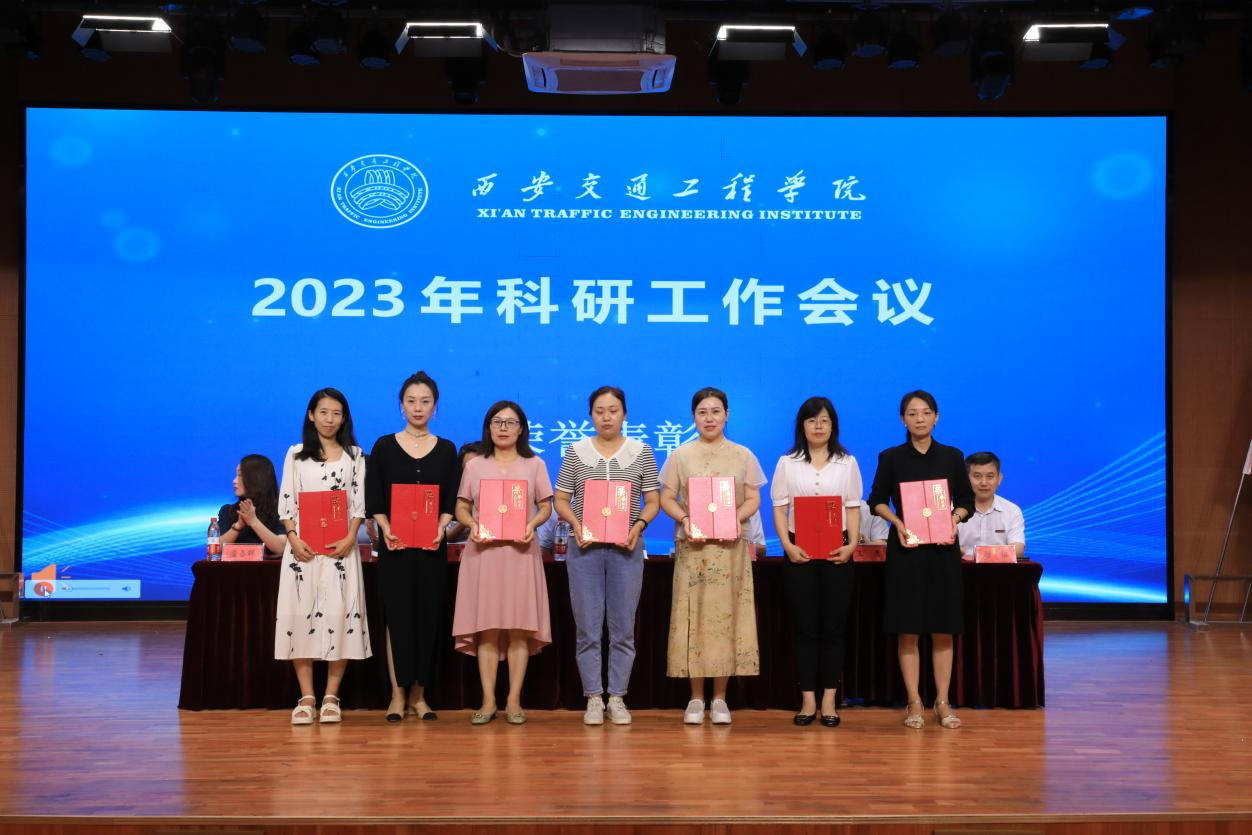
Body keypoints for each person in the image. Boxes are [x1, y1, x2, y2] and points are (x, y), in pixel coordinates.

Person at [553, 386, 661, 726]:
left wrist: (638, 526)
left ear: (624, 414)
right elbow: (560, 499)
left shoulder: (641, 452)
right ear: (591, 415)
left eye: (613, 410)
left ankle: (617, 697)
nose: (606, 417)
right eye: (599, 411)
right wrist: (576, 524)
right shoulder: (576, 452)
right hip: (584, 549)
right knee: (587, 628)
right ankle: (593, 697)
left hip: (626, 549)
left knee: (623, 628)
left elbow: (653, 500)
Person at [868, 390, 974, 731]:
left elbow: (967, 500)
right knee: (908, 628)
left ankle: (942, 701)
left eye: (926, 412)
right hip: (907, 551)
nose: (919, 419)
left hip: (943, 552)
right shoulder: (891, 457)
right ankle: (914, 700)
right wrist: (898, 523)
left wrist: (953, 521)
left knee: (944, 628)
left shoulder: (952, 456)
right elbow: (876, 500)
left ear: (936, 417)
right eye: (912, 413)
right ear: (903, 419)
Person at [659, 386, 765, 725]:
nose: (709, 418)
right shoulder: (681, 455)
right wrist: (684, 519)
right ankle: (695, 698)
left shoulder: (743, 455)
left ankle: (720, 699)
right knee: (695, 618)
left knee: (725, 620)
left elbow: (753, 498)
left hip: (731, 549)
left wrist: (734, 517)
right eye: (702, 412)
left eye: (716, 411)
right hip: (694, 548)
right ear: (694, 417)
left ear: (727, 415)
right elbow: (666, 498)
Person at [364, 371, 461, 724]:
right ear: (401, 405)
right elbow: (374, 495)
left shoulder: (447, 449)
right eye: (411, 401)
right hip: (396, 548)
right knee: (397, 619)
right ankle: (397, 694)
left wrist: (441, 527)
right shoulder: (384, 446)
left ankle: (420, 696)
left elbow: (450, 497)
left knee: (428, 619)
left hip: (432, 548)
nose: (418, 407)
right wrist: (386, 529)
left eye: (425, 401)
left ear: (435, 407)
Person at [452, 401, 553, 726]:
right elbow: (461, 507)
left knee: (520, 628)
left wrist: (532, 524)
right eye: (497, 422)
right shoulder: (475, 466)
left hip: (520, 553)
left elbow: (546, 506)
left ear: (521, 428)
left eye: (510, 422)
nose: (504, 428)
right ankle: (488, 700)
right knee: (488, 629)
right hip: (483, 554)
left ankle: (513, 701)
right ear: (488, 427)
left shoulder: (535, 464)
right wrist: (472, 524)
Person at [275, 388, 371, 725]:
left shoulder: (355, 455)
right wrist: (293, 538)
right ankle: (306, 696)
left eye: (336, 413)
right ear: (311, 415)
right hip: (302, 550)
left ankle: (331, 695)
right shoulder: (295, 454)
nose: (330, 419)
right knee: (300, 618)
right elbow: (287, 501)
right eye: (324, 412)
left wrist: (350, 537)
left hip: (340, 549)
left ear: (344, 418)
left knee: (338, 618)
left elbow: (358, 504)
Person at [770, 396, 862, 728]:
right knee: (806, 628)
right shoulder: (788, 462)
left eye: (824, 420)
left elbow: (853, 507)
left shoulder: (847, 463)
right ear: (802, 426)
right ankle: (808, 699)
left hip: (838, 552)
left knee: (833, 628)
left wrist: (852, 545)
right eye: (812, 420)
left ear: (833, 425)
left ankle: (829, 699)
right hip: (800, 552)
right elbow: (780, 508)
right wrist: (786, 545)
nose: (818, 426)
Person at [958, 451, 1026, 559]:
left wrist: (978, 556)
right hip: (961, 569)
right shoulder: (952, 510)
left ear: (999, 479)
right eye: (977, 476)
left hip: (999, 569)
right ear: (965, 479)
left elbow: (1018, 550)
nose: (984, 483)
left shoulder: (1012, 511)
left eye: (990, 476)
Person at [218, 453, 287, 555]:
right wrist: (238, 525)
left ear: (257, 478)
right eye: (236, 475)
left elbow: (281, 548)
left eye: (240, 475)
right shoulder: (227, 511)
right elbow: (216, 549)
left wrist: (253, 521)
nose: (234, 481)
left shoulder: (279, 510)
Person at [445, 442, 482, 544]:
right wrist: (466, 516)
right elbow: (446, 536)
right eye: (468, 468)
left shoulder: (499, 493)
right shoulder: (451, 494)